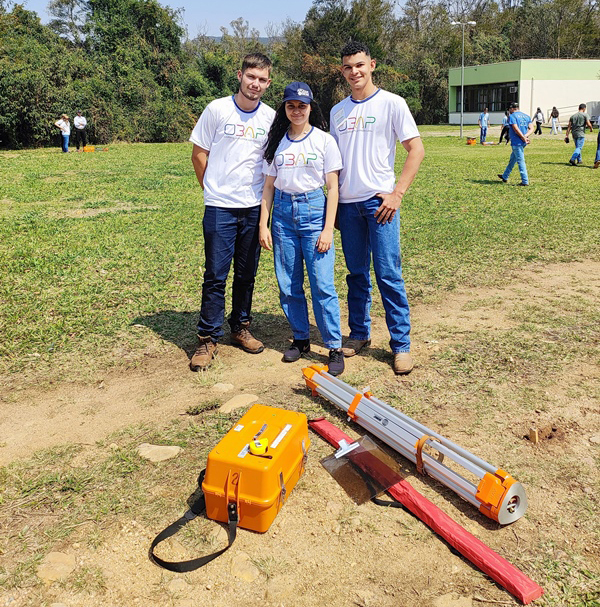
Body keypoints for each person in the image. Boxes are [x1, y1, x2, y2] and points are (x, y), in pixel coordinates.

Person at [330, 41, 425, 375]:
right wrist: (334, 207)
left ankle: (401, 346)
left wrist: (397, 193)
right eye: (347, 67)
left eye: (359, 65)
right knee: (356, 274)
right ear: (342, 71)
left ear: (372, 65)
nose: (354, 72)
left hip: (379, 204)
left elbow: (416, 149)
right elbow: (334, 164)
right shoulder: (337, 112)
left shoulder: (392, 103)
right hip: (348, 206)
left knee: (388, 273)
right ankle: (358, 334)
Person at [188, 53, 275, 371]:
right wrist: (212, 190)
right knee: (215, 276)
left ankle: (240, 328)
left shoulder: (270, 117)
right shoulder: (217, 109)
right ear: (240, 75)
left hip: (253, 207)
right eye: (251, 76)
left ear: (268, 83)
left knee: (247, 275)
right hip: (220, 208)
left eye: (262, 79)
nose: (255, 83)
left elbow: (272, 166)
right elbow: (199, 154)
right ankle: (207, 339)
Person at [259, 82, 345, 375]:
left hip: (314, 214)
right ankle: (301, 338)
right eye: (291, 106)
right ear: (284, 108)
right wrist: (264, 224)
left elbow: (332, 188)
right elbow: (268, 187)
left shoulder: (324, 141)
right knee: (288, 285)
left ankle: (334, 346)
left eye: (302, 106)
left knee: (322, 285)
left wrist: (328, 229)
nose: (296, 111)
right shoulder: (277, 142)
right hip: (283, 217)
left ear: (311, 108)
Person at [497, 101, 534, 186]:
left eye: (509, 109)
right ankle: (505, 176)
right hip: (523, 141)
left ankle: (525, 181)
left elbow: (515, 128)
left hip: (517, 142)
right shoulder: (526, 116)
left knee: (520, 161)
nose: (509, 110)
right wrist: (525, 136)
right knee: (512, 159)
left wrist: (523, 137)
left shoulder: (512, 116)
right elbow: (532, 128)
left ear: (512, 108)